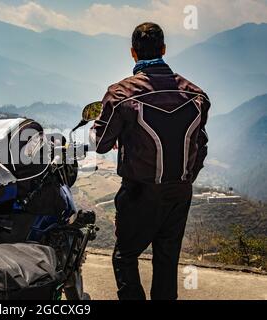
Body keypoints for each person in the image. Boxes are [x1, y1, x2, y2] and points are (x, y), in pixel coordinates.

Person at [90, 22, 210, 300]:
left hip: (140, 192)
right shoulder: (196, 95)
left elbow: (101, 143)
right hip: (180, 191)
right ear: (164, 50)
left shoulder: (121, 95)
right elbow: (200, 144)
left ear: (133, 53)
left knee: (125, 257)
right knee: (166, 262)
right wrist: (189, 178)